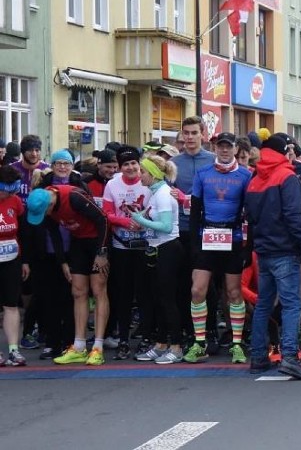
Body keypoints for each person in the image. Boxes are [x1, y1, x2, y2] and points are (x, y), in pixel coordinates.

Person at [245, 134, 301, 380]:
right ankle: (289, 357)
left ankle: (258, 356)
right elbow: (294, 215)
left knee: (264, 304)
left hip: (263, 250)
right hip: (285, 250)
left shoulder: (255, 177)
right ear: (282, 152)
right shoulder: (286, 176)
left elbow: (250, 216)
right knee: (291, 304)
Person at [185, 132, 253, 364]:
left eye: (228, 147)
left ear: (235, 149)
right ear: (214, 148)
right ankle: (199, 342)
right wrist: (194, 244)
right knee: (197, 290)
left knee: (234, 293)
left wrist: (248, 247)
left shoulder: (245, 175)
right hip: (207, 237)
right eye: (220, 146)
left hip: (232, 238)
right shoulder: (203, 173)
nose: (224, 151)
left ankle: (236, 344)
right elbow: (194, 211)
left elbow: (251, 215)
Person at [27, 184, 110, 366]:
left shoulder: (73, 197)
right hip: (78, 243)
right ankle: (79, 346)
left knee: (98, 290)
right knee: (78, 291)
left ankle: (98, 347)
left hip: (96, 241)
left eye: (46, 213)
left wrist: (102, 253)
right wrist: (62, 261)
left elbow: (102, 219)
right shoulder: (43, 204)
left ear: (50, 204)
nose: (47, 216)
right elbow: (54, 232)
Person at [130, 155, 184, 364]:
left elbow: (167, 226)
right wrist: (141, 221)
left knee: (168, 300)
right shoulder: (154, 193)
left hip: (168, 248)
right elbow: (151, 222)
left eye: (142, 171)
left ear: (152, 174)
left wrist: (141, 220)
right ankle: (161, 343)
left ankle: (176, 346)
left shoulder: (162, 194)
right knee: (157, 299)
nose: (138, 175)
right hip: (156, 248)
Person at [103, 146, 152, 361]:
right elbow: (107, 213)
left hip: (145, 245)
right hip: (121, 246)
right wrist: (125, 222)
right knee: (122, 295)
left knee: (145, 294)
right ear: (120, 167)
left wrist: (142, 222)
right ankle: (123, 338)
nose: (131, 168)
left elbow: (157, 208)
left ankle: (146, 337)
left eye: (134, 163)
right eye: (126, 164)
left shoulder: (148, 181)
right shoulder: (112, 184)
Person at [171, 117, 216, 349]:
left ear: (203, 134)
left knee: (209, 284)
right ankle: (190, 330)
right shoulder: (173, 162)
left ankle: (210, 331)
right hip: (181, 229)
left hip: (208, 230)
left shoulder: (213, 160)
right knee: (183, 284)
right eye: (186, 133)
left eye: (193, 133)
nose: (189, 137)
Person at [0, 165, 30, 366]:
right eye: (5, 190)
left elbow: (24, 232)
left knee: (11, 305)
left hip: (11, 257)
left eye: (12, 190)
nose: (8, 194)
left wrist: (25, 260)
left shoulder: (15, 201)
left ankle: (13, 350)